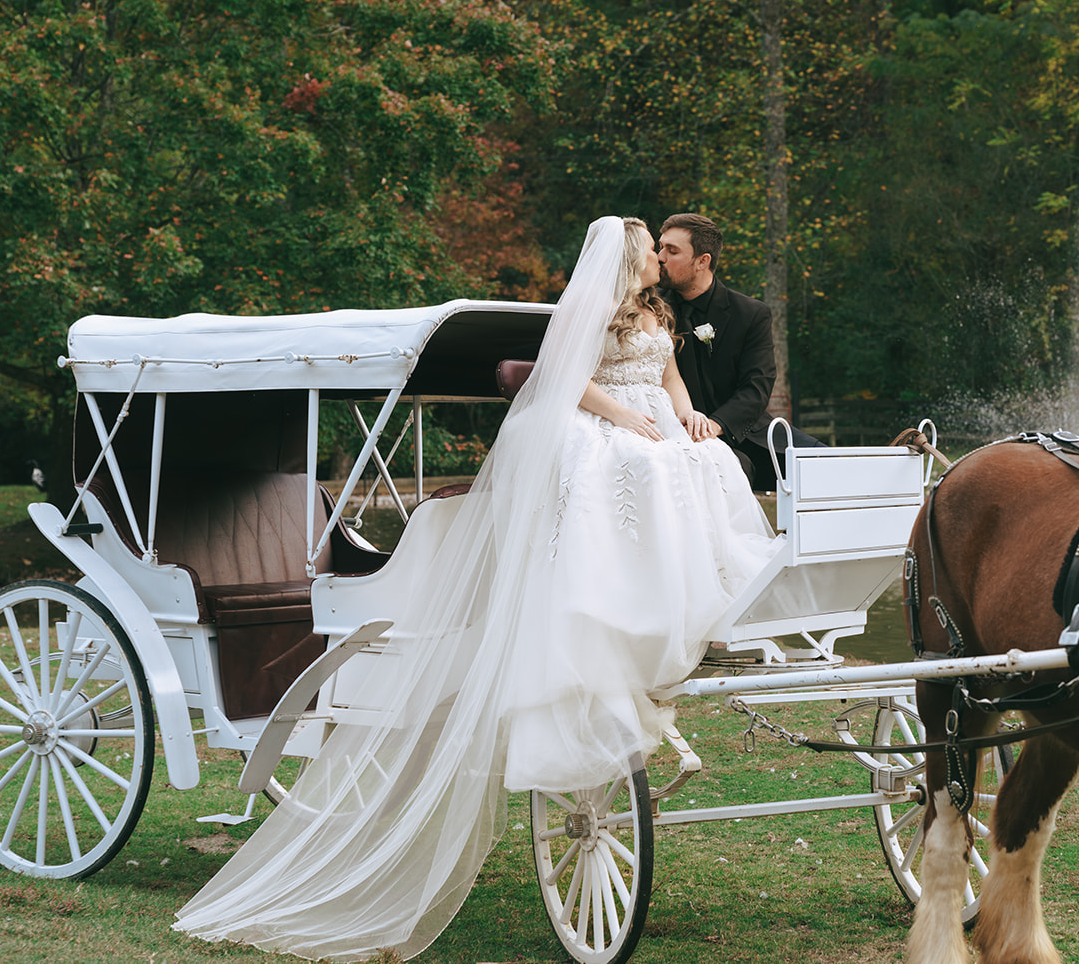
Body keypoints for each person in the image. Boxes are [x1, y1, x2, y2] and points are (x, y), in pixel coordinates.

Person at [173, 217, 781, 961]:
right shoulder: (589, 312)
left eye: (666, 246)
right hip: (602, 422)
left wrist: (682, 410)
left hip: (650, 416)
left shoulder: (658, 312)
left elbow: (669, 374)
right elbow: (567, 381)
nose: (660, 255)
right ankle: (618, 604)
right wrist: (627, 418)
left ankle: (705, 607)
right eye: (652, 246)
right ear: (629, 257)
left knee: (707, 461)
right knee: (640, 466)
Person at [656, 212, 821, 490]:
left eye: (671, 251)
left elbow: (757, 386)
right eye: (660, 247)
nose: (660, 257)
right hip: (675, 433)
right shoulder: (651, 310)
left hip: (744, 431)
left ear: (702, 261)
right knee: (730, 472)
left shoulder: (750, 314)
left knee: (830, 465)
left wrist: (716, 425)